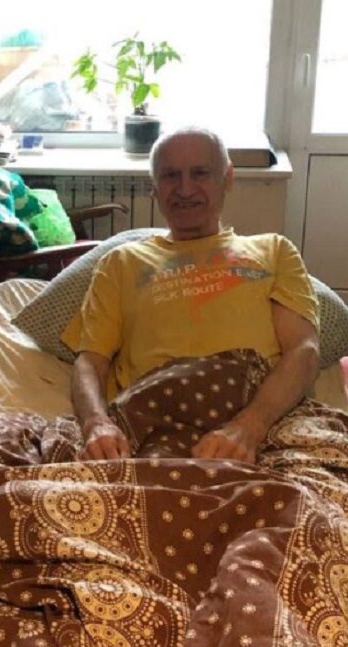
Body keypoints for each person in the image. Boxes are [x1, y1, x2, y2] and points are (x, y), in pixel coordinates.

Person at [62, 126, 320, 464]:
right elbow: (90, 361)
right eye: (170, 176)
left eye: (200, 173)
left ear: (227, 178)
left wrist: (249, 427)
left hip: (258, 427)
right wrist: (96, 424)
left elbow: (303, 350)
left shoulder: (274, 251)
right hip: (151, 426)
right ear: (154, 187)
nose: (185, 189)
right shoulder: (121, 263)